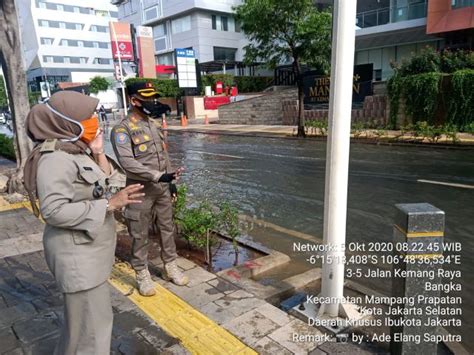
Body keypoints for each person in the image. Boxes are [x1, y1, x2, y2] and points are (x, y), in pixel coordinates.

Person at [23, 91, 144, 354]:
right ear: (65, 121)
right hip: (77, 257)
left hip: (89, 255)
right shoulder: (56, 158)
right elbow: (53, 210)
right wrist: (110, 205)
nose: (94, 121)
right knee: (92, 333)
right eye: (87, 117)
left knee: (81, 330)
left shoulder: (76, 150)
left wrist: (99, 153)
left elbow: (106, 183)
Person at [111, 81, 189, 296]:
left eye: (154, 98)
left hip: (162, 188)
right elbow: (128, 163)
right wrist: (157, 176)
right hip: (139, 190)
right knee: (139, 233)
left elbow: (163, 156)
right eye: (147, 99)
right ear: (134, 100)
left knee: (167, 228)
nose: (153, 102)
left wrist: (170, 181)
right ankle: (142, 273)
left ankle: (170, 266)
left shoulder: (153, 125)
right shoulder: (122, 129)